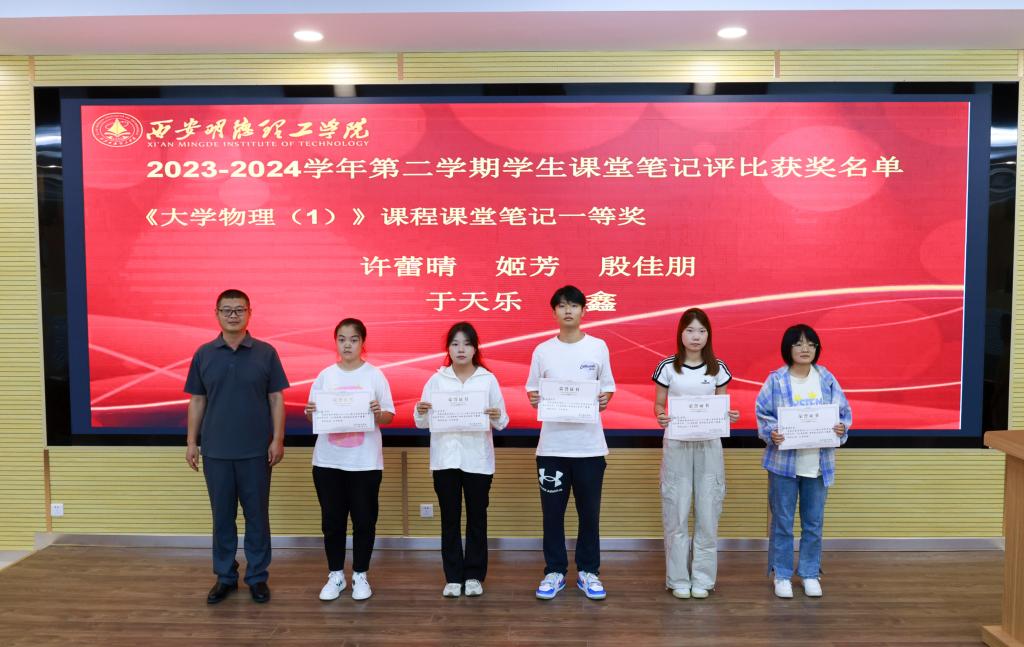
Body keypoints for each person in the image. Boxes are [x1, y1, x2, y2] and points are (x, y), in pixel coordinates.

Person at [184, 289, 289, 604]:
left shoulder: (266, 353)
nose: (233, 315)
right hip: (216, 451)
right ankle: (225, 577)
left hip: (256, 451)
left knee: (257, 517)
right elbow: (197, 400)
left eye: (239, 310)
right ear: (216, 313)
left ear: (249, 313)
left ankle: (257, 577)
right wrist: (191, 442)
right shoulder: (204, 354)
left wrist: (278, 439)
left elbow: (276, 398)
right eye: (226, 310)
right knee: (222, 518)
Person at [526, 285, 615, 601]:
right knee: (552, 515)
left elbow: (607, 388)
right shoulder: (543, 350)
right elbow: (532, 390)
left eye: (574, 305)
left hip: (589, 447)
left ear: (583, 311)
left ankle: (589, 571)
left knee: (589, 514)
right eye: (562, 306)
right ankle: (555, 571)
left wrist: (604, 399)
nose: (568, 311)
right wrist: (535, 398)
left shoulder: (598, 347)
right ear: (554, 312)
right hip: (552, 448)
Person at [755, 323, 852, 599]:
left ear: (817, 348)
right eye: (798, 344)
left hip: (818, 464)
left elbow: (844, 413)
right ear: (788, 349)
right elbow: (762, 413)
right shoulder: (776, 379)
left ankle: (810, 573)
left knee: (813, 523)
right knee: (782, 522)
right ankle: (782, 575)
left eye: (810, 343)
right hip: (783, 464)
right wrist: (771, 432)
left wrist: (841, 428)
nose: (805, 348)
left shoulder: (826, 379)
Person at [414, 322, 508, 598]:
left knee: (477, 519)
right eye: (455, 344)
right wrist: (421, 411)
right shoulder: (436, 380)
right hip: (445, 460)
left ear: (475, 348)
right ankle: (453, 577)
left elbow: (502, 421)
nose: (461, 349)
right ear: (448, 349)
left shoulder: (487, 380)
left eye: (466, 344)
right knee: (450, 520)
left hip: (478, 460)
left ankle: (474, 576)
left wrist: (495, 415)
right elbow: (421, 422)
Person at [304, 318, 395, 602]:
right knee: (332, 522)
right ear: (336, 342)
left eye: (353, 339)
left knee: (364, 521)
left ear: (362, 343)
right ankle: (335, 575)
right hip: (328, 461)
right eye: (342, 339)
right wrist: (310, 412)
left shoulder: (374, 375)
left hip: (364, 462)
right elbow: (313, 415)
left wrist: (378, 412)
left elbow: (388, 416)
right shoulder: (326, 376)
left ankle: (360, 575)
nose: (347, 345)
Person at [652, 308, 739, 600]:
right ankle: (678, 578)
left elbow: (721, 405)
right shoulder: (667, 367)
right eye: (690, 330)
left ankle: (703, 579)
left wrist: (729, 415)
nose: (695, 336)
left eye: (701, 331)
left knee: (707, 511)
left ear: (708, 335)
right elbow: (659, 404)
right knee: (676, 511)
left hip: (709, 444)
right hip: (677, 443)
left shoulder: (718, 368)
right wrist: (661, 415)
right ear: (681, 333)